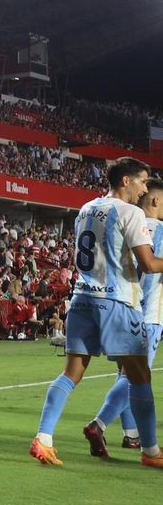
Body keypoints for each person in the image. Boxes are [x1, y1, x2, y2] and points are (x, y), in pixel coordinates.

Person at [31, 157, 163, 467]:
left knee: (71, 373)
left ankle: (43, 438)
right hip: (117, 302)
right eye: (142, 180)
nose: (145, 188)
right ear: (126, 181)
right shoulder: (129, 212)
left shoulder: (86, 208)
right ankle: (151, 452)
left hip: (83, 300)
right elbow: (149, 264)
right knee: (140, 378)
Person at [85, 177, 163, 457]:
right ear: (154, 200)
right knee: (137, 379)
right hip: (150, 314)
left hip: (124, 309)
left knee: (126, 376)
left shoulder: (127, 225)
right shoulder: (159, 230)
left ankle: (131, 436)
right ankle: (99, 423)